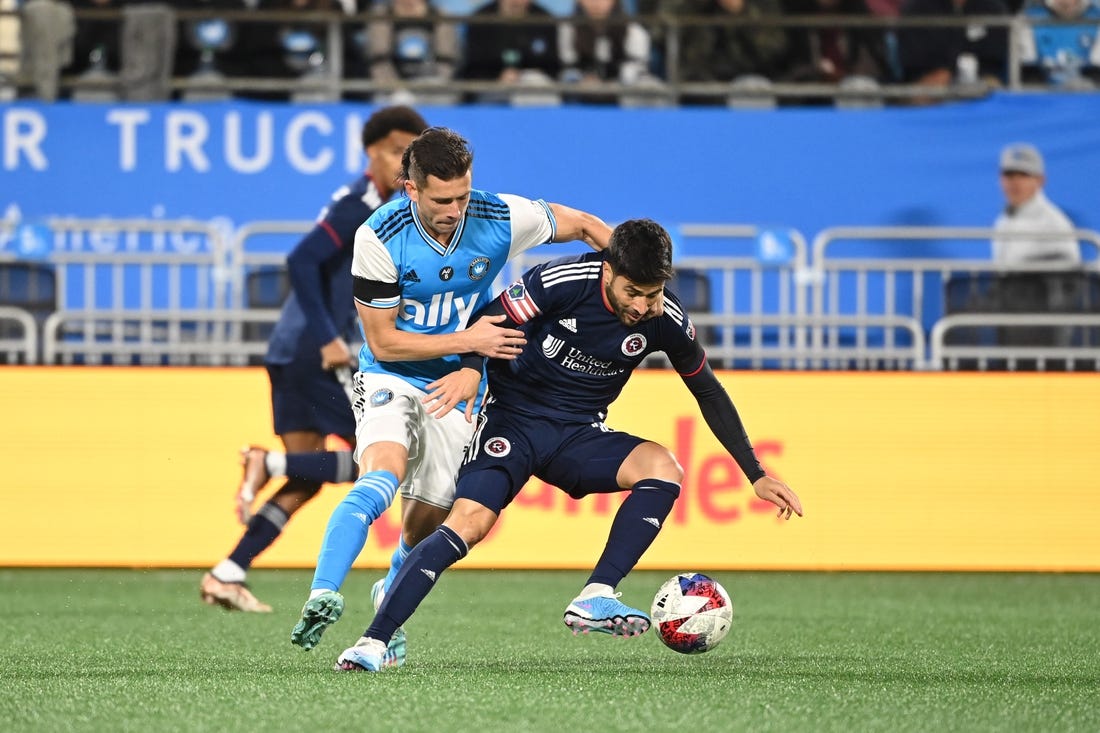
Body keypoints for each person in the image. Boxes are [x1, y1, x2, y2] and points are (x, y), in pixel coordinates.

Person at [329, 218, 803, 673]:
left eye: (652, 294)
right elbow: (488, 320)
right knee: (469, 525)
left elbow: (709, 391)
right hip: (510, 423)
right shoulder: (561, 280)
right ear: (608, 270)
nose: (641, 307)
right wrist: (473, 371)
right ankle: (372, 641)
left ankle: (596, 594)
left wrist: (755, 473)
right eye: (632, 293)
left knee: (663, 465)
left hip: (578, 435)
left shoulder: (666, 319)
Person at [289, 127, 613, 665]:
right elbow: (384, 341)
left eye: (463, 195)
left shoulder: (496, 216)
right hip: (392, 374)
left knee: (432, 517)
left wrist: (630, 271)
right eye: (443, 199)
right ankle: (323, 591)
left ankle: (391, 584)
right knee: (382, 473)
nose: (456, 209)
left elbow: (583, 224)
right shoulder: (379, 237)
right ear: (410, 189)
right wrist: (472, 341)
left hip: (459, 385)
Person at [199, 105, 429, 613]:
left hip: (291, 351)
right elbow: (300, 260)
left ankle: (227, 571)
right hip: (314, 351)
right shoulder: (361, 202)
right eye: (396, 150)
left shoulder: (381, 203)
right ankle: (266, 461)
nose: (402, 161)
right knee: (372, 456)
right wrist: (328, 336)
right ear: (371, 152)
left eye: (409, 154)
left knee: (309, 476)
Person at [991, 143, 1082, 354]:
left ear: (1040, 180)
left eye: (1023, 175)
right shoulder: (1003, 220)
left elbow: (1072, 280)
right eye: (1009, 176)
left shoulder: (1054, 223)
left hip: (1044, 325)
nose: (1015, 183)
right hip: (1011, 321)